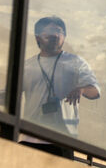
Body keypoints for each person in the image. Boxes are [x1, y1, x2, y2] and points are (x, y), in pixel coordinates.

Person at [20, 16, 100, 158]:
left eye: (60, 31)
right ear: (38, 37)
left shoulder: (76, 62)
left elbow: (94, 91)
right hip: (29, 139)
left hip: (63, 141)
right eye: (51, 31)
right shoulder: (27, 66)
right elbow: (8, 95)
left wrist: (81, 89)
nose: (56, 35)